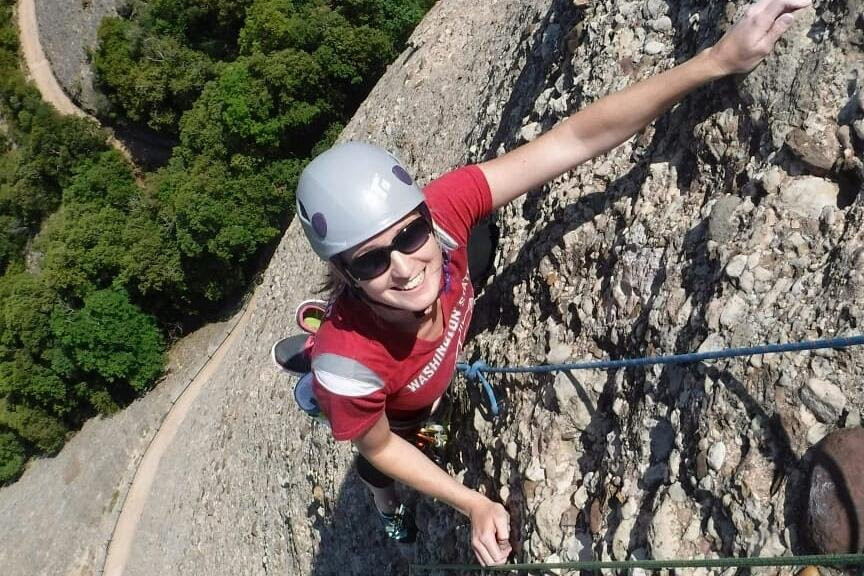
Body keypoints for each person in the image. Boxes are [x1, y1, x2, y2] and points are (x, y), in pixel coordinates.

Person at [274, 0, 810, 566]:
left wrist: (716, 60)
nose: (404, 266)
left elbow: (571, 141)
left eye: (410, 236)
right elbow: (378, 442)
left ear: (424, 217)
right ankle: (388, 509)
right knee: (379, 461)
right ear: (344, 273)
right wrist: (471, 502)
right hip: (400, 401)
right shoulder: (352, 367)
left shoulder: (445, 214)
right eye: (369, 263)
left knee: (479, 239)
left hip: (429, 339)